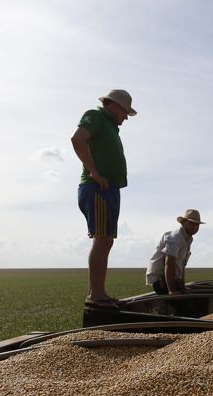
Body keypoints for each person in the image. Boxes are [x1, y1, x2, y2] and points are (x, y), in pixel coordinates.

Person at [71, 89, 136, 308]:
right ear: (114, 105)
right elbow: (77, 139)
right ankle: (95, 295)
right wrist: (94, 172)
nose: (126, 117)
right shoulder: (95, 115)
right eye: (125, 111)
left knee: (107, 240)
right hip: (97, 187)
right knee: (102, 239)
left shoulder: (111, 127)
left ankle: (98, 292)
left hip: (109, 189)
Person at [145, 209, 205, 295]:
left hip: (171, 280)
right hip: (161, 281)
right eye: (191, 223)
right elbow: (169, 264)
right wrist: (172, 290)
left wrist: (183, 287)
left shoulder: (187, 239)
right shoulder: (176, 238)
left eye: (197, 224)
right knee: (184, 302)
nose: (195, 227)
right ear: (183, 222)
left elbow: (181, 265)